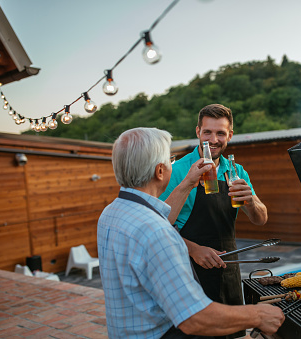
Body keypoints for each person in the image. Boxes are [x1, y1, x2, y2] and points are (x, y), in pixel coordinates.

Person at [97, 127, 284, 339]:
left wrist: (189, 183)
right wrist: (259, 315)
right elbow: (194, 318)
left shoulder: (111, 213)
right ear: (160, 171)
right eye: (169, 160)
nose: (172, 164)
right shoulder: (157, 231)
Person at [159, 104, 268, 339]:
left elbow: (261, 219)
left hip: (228, 266)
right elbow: (158, 224)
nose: (213, 139)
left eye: (220, 133)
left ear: (230, 135)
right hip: (190, 272)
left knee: (232, 333)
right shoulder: (177, 170)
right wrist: (193, 249)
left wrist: (250, 201)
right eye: (208, 132)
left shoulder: (236, 170)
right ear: (198, 131)